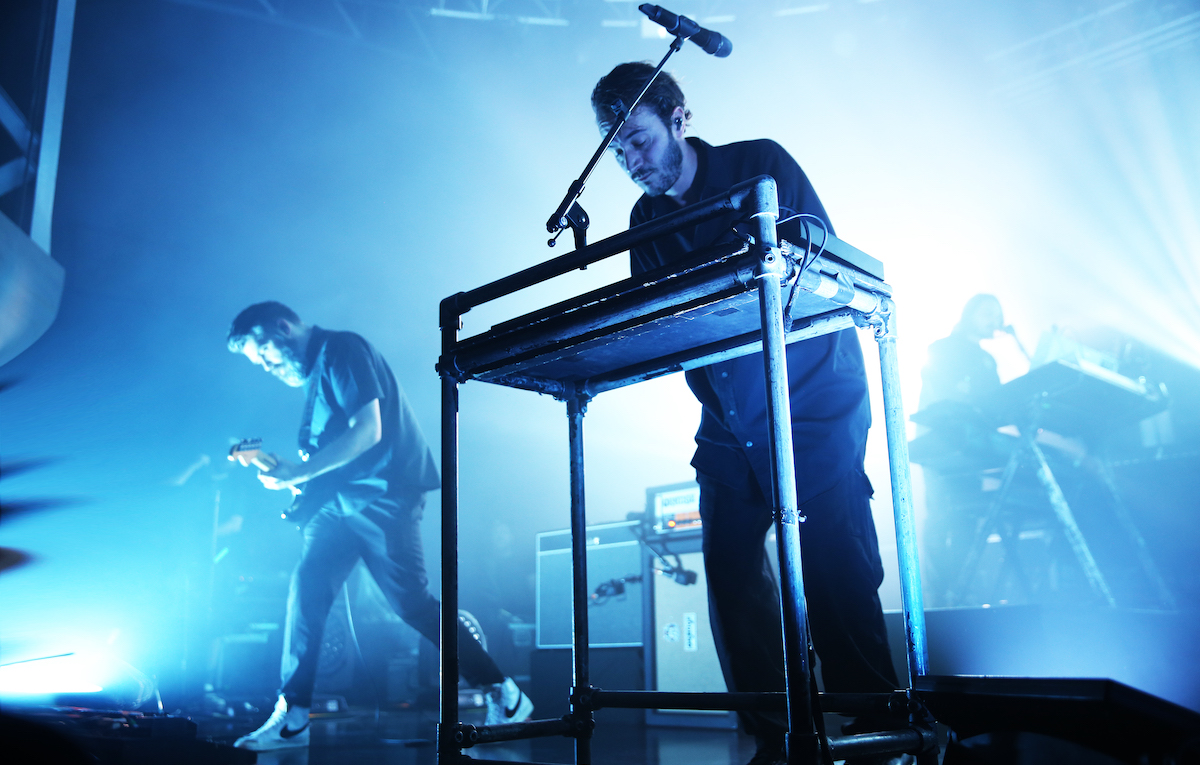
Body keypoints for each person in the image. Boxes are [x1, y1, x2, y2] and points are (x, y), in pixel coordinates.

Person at [590, 64, 899, 765]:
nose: (631, 160)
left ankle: (877, 729)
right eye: (617, 149)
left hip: (813, 400)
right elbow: (661, 325)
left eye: (638, 139)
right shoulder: (645, 223)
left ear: (678, 118)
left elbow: (820, 267)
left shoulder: (761, 164)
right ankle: (779, 734)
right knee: (730, 572)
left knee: (834, 564)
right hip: (730, 420)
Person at [225, 301, 532, 751]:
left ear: (282, 327)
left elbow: (369, 431)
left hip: (383, 496)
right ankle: (293, 715)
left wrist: (297, 474)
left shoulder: (342, 350)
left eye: (264, 354)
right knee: (306, 591)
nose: (266, 366)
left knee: (412, 604)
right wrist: (293, 475)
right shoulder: (318, 373)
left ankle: (503, 692)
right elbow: (334, 454)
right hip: (339, 506)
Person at [916, 294, 1006, 606]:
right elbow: (940, 392)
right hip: (940, 445)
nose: (995, 320)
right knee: (941, 512)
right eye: (988, 313)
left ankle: (962, 589)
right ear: (970, 314)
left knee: (967, 515)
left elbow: (997, 405)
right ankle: (938, 594)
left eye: (998, 314)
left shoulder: (988, 360)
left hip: (973, 449)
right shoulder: (942, 348)